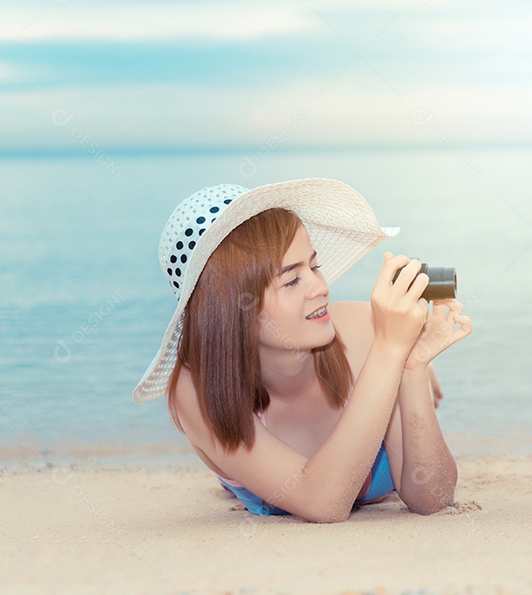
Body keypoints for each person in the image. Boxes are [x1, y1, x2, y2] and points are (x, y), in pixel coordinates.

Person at [133, 178, 471, 522]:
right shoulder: (198, 391)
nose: (321, 288)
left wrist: (410, 367)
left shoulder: (366, 330)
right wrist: (389, 349)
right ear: (235, 308)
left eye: (315, 266)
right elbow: (324, 502)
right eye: (291, 280)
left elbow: (433, 498)